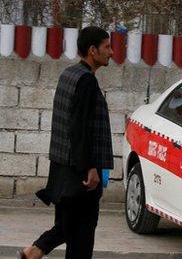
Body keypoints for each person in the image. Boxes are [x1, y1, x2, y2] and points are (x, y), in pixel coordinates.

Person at [20, 27, 114, 259]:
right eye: (107, 47)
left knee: (67, 226)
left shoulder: (69, 74)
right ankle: (34, 252)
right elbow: (79, 128)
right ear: (93, 51)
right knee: (81, 238)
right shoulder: (86, 82)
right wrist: (90, 168)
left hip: (63, 168)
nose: (111, 52)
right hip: (80, 173)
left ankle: (34, 252)